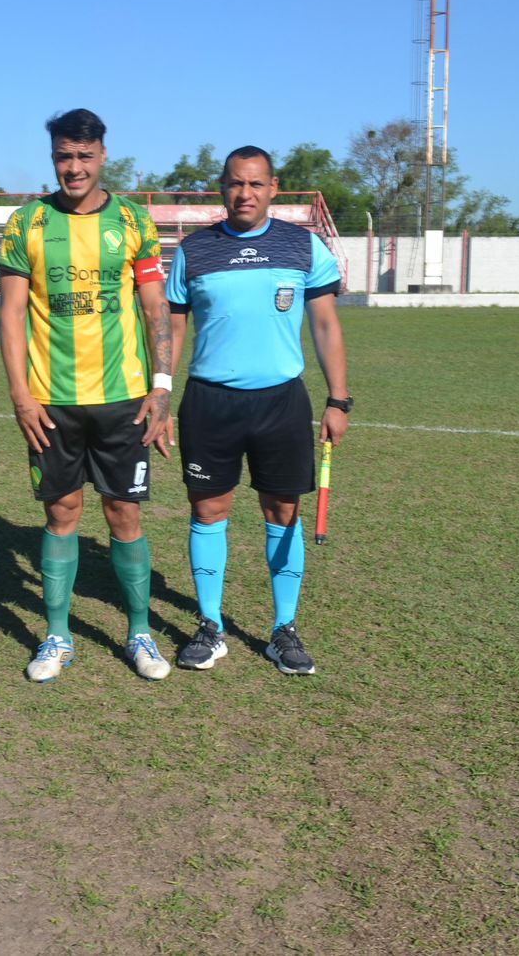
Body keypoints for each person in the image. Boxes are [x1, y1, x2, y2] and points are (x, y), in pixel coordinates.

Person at [0, 109, 175, 682]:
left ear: (103, 156)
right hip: (51, 401)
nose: (73, 168)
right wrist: (21, 397)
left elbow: (156, 310)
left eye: (83, 156)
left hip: (124, 397)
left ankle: (140, 632)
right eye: (63, 157)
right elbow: (11, 315)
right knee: (62, 512)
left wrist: (163, 386)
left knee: (124, 512)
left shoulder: (133, 220)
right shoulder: (26, 222)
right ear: (54, 159)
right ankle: (56, 635)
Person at [163, 145, 351, 677]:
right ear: (222, 188)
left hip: (281, 402)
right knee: (208, 512)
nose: (244, 194)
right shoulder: (194, 251)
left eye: (255, 184)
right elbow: (173, 329)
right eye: (235, 184)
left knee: (282, 514)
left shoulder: (303, 246)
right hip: (209, 402)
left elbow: (326, 325)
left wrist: (339, 399)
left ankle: (284, 629)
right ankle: (209, 626)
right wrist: (159, 395)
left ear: (273, 188)